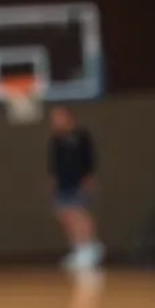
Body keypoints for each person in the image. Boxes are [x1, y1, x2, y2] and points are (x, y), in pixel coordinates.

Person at [48, 106, 102, 271]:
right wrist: (54, 182)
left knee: (79, 214)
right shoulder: (55, 140)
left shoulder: (81, 136)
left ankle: (90, 247)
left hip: (78, 182)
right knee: (64, 215)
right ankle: (78, 249)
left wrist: (88, 178)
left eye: (59, 117)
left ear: (69, 117)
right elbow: (53, 164)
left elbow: (89, 158)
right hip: (63, 183)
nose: (55, 121)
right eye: (54, 118)